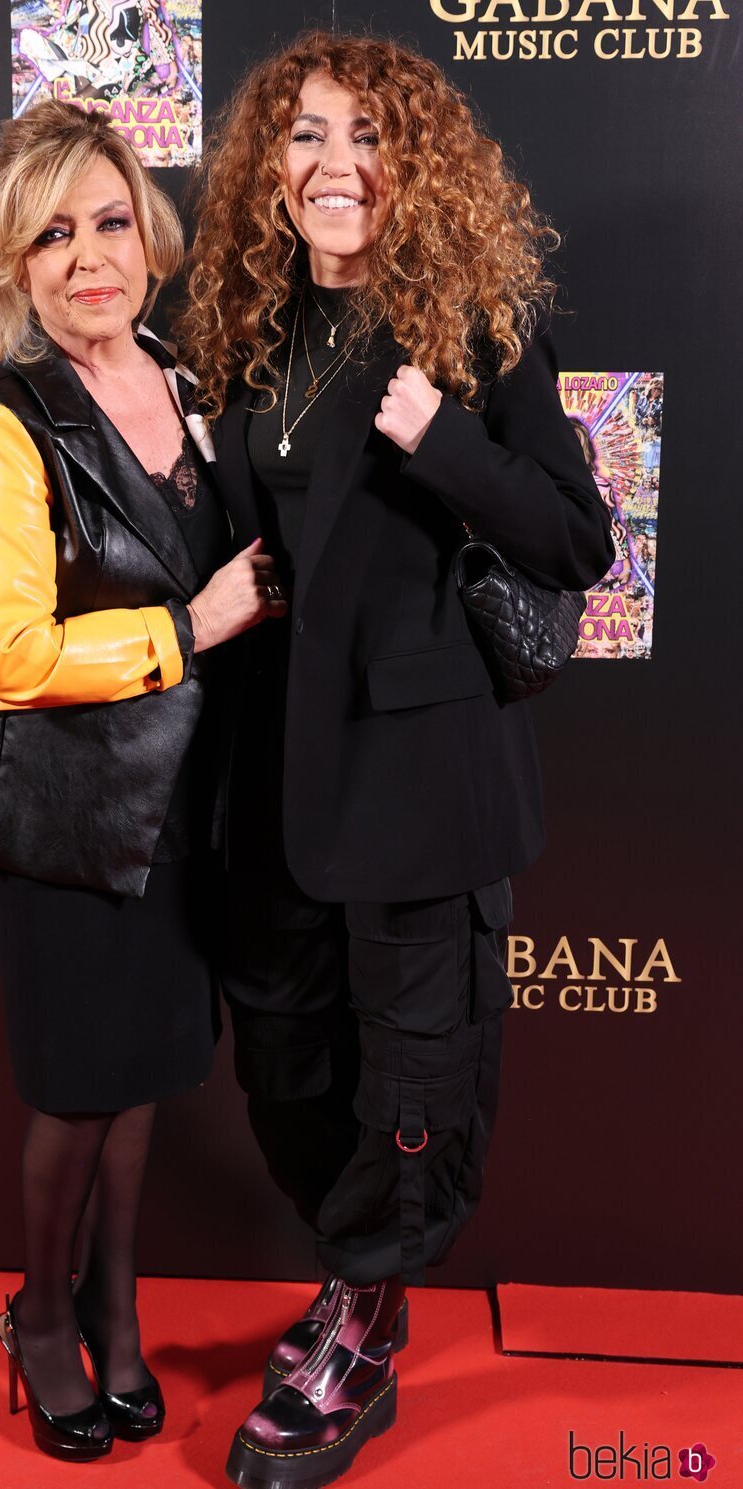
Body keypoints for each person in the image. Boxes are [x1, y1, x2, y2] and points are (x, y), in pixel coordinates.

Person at [180, 31, 615, 1489]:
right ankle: (356, 1276)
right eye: (305, 136)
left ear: (411, 160)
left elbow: (576, 541)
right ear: (272, 168)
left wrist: (445, 438)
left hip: (420, 783)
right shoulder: (248, 330)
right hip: (273, 777)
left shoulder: (479, 323)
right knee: (293, 1073)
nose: (334, 164)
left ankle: (360, 1326)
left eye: (366, 135)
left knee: (414, 1072)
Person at [0, 98, 285, 1463]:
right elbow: (8, 651)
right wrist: (190, 626)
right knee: (77, 1091)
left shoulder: (191, 390)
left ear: (152, 230)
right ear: (16, 266)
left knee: (140, 1082)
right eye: (53, 233)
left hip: (183, 813)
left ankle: (116, 1318)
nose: (90, 256)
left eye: (111, 220)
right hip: (73, 820)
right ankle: (38, 1319)